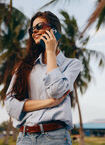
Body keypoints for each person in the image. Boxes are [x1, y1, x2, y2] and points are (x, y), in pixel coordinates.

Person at [5, 11, 81, 145]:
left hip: (55, 137)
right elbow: (10, 105)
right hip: (25, 137)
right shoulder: (24, 67)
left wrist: (50, 51)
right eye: (32, 29)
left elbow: (56, 90)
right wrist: (50, 103)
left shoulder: (72, 64)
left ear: (54, 30)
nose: (34, 31)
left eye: (39, 26)